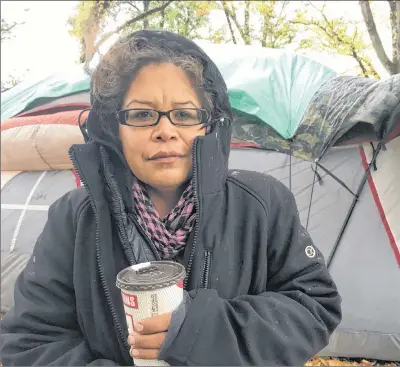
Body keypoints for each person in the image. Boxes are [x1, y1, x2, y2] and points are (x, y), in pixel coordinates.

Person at [0, 30, 341, 366]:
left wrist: (197, 332)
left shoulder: (262, 203)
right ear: (113, 129)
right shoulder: (74, 218)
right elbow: (30, 341)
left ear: (209, 125)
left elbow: (313, 306)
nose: (165, 130)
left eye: (184, 114)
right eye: (142, 114)